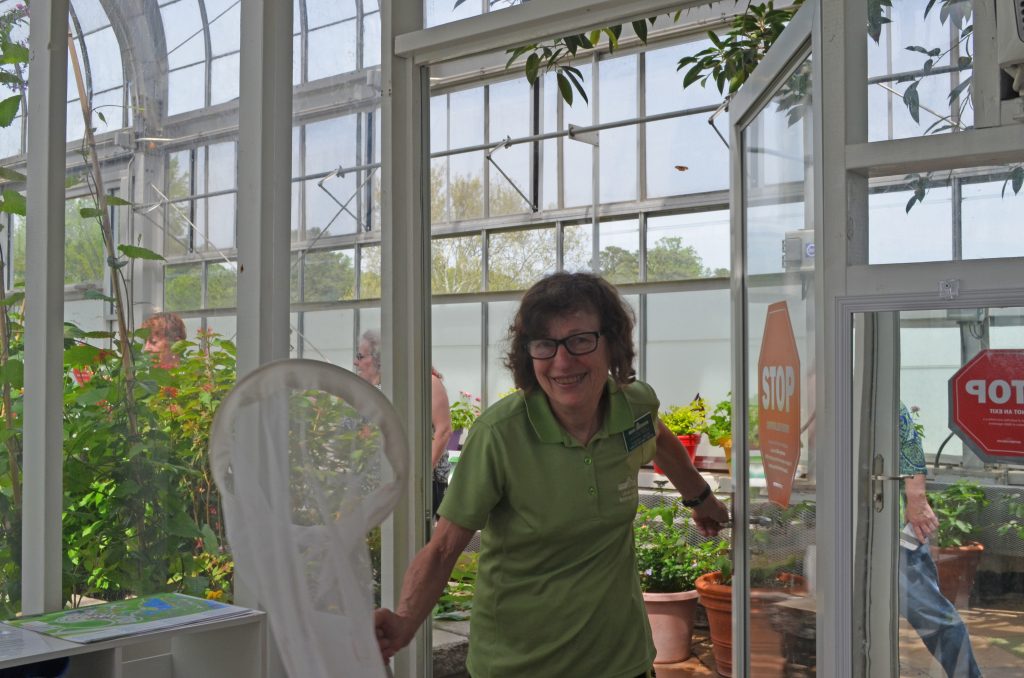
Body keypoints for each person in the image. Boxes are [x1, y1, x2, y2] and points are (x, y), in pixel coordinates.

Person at [374, 272, 730, 677]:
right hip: (519, 665)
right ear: (529, 355)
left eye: (580, 340)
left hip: (622, 661)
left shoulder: (633, 406)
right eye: (545, 344)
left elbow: (659, 437)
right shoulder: (500, 435)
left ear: (612, 343)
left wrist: (700, 498)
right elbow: (443, 548)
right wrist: (403, 621)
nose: (562, 362)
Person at [898, 401, 982, 678]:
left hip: (891, 528)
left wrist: (917, 498)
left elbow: (907, 439)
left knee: (930, 613)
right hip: (851, 527)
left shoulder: (870, 393)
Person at [355, 329, 453, 517]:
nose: (355, 362)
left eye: (360, 356)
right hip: (382, 483)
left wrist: (417, 477)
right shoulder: (376, 389)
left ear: (379, 358)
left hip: (421, 483)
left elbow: (443, 432)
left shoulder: (427, 382)